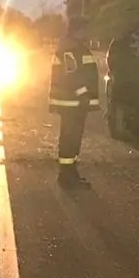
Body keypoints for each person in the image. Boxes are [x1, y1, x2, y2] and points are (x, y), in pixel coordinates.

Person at [48, 16, 100, 187]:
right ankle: (67, 176)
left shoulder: (73, 47)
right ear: (78, 30)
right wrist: (83, 94)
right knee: (70, 138)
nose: (88, 33)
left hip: (73, 102)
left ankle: (70, 173)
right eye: (85, 29)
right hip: (72, 102)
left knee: (72, 138)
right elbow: (71, 74)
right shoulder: (71, 49)